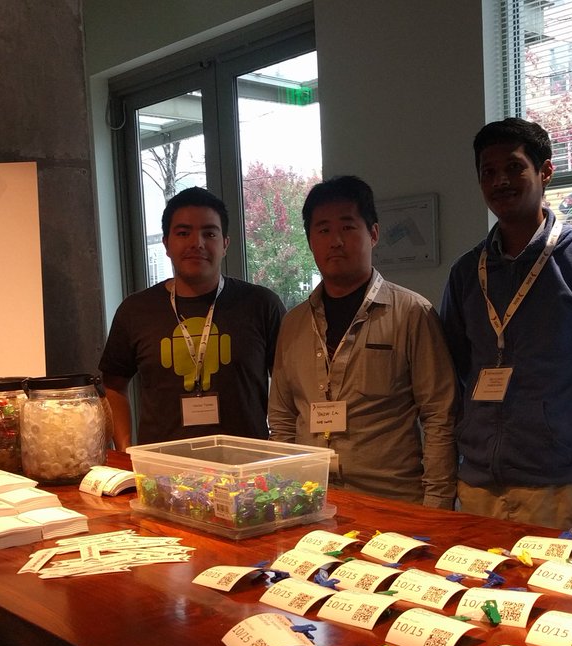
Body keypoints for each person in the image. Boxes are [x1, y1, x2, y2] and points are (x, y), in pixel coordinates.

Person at [439, 118, 572, 538]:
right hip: (475, 486)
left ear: (545, 172)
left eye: (514, 167)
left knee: (546, 603)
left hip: (556, 491)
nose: (501, 180)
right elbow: (450, 380)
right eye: (488, 171)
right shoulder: (468, 272)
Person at [268, 175, 457, 508]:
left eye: (348, 227)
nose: (335, 241)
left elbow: (439, 415)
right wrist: (285, 491)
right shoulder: (294, 323)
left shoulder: (412, 313)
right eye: (323, 230)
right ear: (310, 240)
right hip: (311, 500)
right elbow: (283, 417)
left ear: (373, 233)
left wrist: (437, 505)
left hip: (392, 501)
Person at [100, 187, 285, 448]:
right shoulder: (136, 310)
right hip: (161, 470)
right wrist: (125, 450)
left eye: (209, 233)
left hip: (245, 468)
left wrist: (279, 448)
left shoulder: (261, 305)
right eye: (183, 233)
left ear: (225, 244)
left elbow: (288, 387)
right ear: (166, 244)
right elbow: (113, 387)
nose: (196, 243)